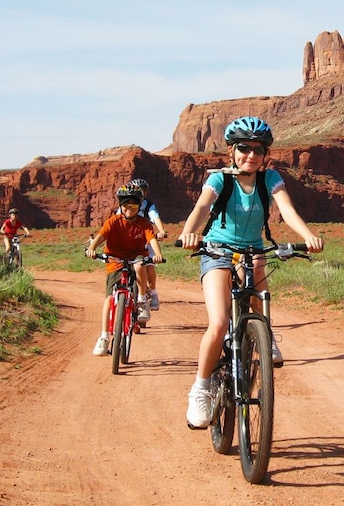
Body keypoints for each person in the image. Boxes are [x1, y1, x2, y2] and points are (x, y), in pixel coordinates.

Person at [178, 116, 324, 429]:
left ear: (265, 154)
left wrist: (307, 235)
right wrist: (190, 232)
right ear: (232, 150)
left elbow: (286, 209)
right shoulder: (220, 179)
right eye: (244, 148)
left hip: (253, 249)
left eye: (258, 150)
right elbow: (202, 208)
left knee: (259, 283)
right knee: (218, 323)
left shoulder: (269, 178)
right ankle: (201, 389)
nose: (251, 155)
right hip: (217, 250)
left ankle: (264, 334)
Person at [86, 185, 164, 356]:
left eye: (134, 206)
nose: (130, 210)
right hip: (114, 259)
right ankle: (104, 336)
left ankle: (142, 300)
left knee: (139, 265)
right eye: (126, 206)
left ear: (139, 207)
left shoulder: (144, 223)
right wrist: (92, 248)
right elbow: (101, 236)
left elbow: (151, 239)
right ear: (120, 206)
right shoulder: (113, 221)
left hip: (136, 255)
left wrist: (158, 254)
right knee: (108, 298)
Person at [124, 178, 167, 311]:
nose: (139, 193)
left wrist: (161, 231)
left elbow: (155, 217)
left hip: (146, 241)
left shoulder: (148, 206)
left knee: (149, 266)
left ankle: (153, 293)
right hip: (129, 240)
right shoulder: (125, 205)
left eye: (141, 191)